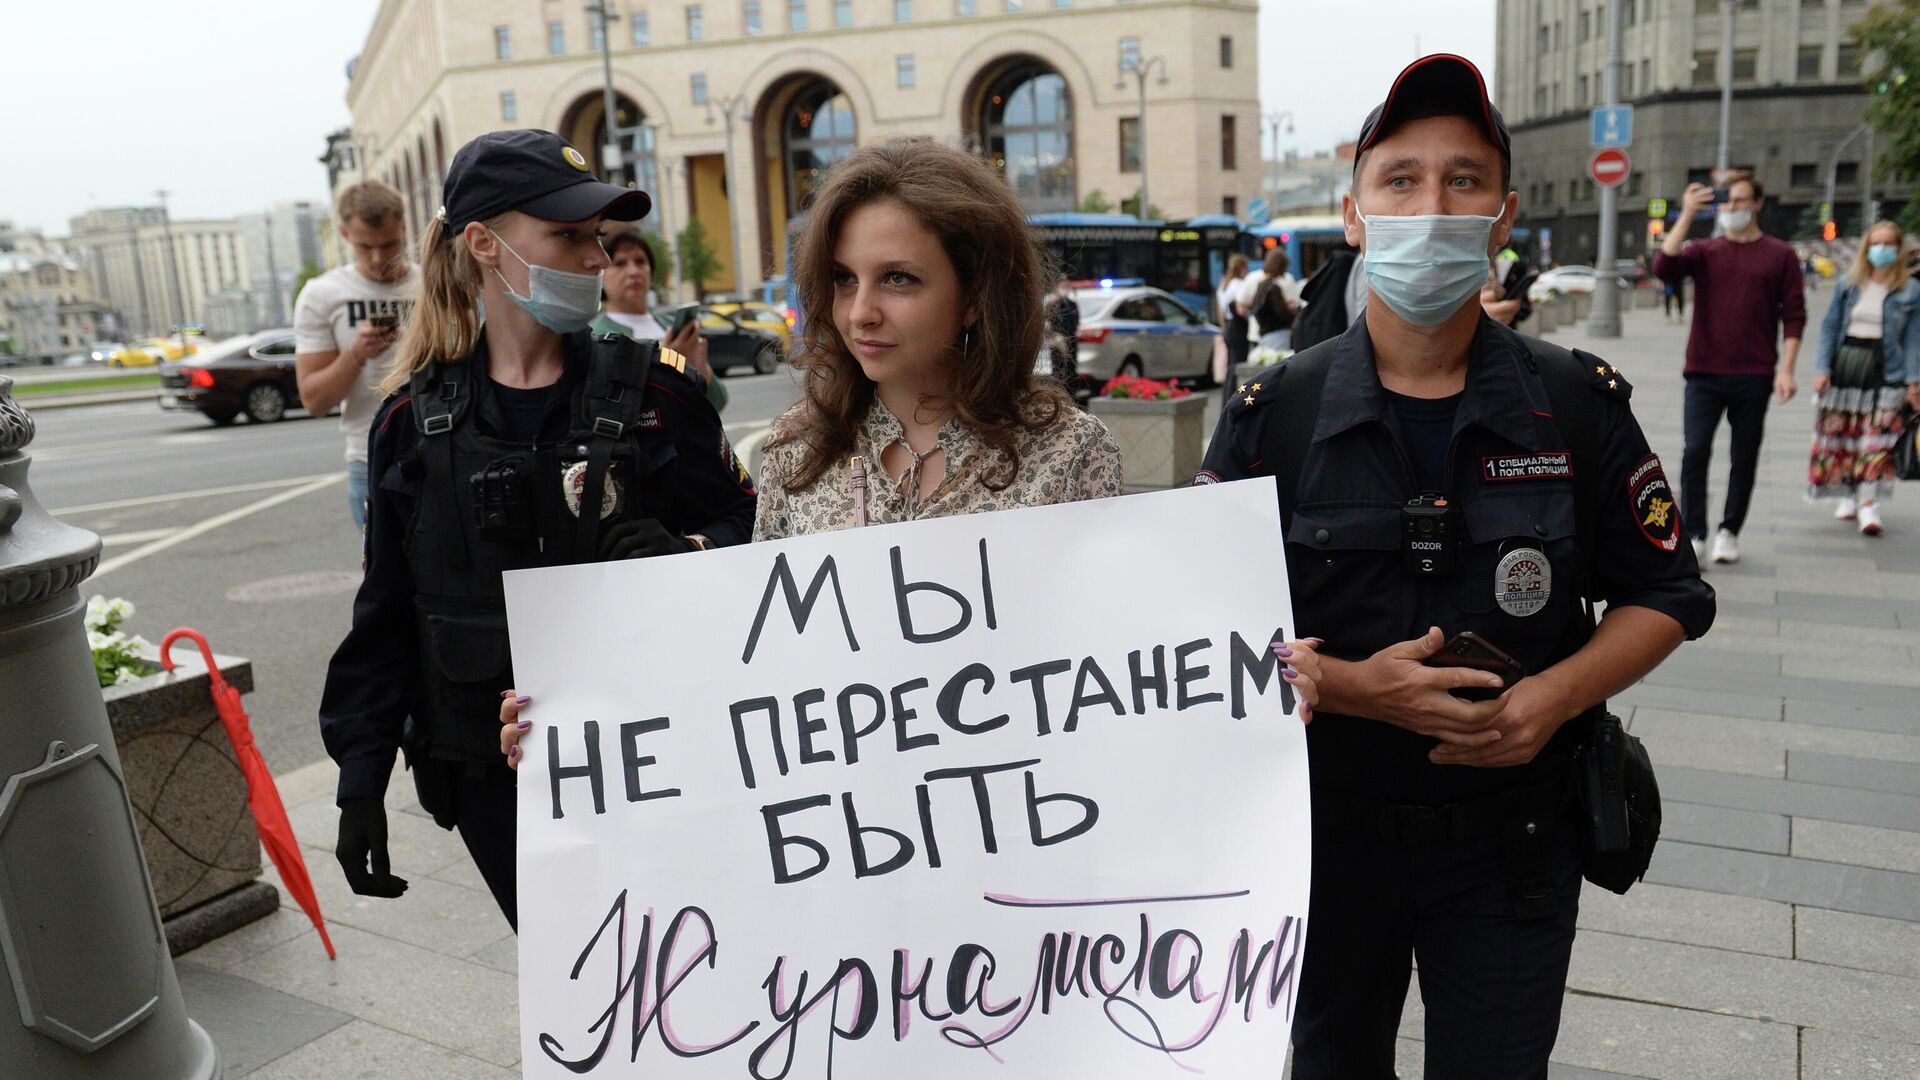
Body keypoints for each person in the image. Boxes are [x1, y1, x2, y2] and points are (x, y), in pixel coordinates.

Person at [1194, 54, 1714, 1078]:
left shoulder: (1574, 405)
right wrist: (1346, 688)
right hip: (1324, 845)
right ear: (1355, 212)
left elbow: (1667, 594)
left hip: (1514, 843)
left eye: (1463, 181)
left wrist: (1555, 697)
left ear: (1503, 215)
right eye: (1401, 180)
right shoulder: (1275, 416)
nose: (1431, 205)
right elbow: (1198, 641)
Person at [317, 129, 757, 929]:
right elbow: (385, 614)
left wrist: (689, 554)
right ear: (484, 244)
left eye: (596, 238)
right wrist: (360, 778)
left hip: (660, 756)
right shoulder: (412, 424)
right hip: (490, 777)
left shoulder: (662, 396)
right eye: (567, 236)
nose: (595, 259)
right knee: (577, 975)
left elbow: (751, 527)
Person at [1653, 173, 1806, 564]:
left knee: (1745, 455)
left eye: (1739, 201)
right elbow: (1663, 266)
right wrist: (1687, 214)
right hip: (1703, 371)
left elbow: (1794, 316)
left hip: (1754, 374)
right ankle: (1696, 532)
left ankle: (1729, 530)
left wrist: (1787, 370)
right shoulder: (1705, 250)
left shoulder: (1780, 255)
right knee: (1695, 451)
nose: (1732, 208)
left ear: (1757, 203)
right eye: (1727, 202)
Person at [294, 180, 419, 529]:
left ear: (404, 228)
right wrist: (356, 354)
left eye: (389, 244)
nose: (379, 258)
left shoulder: (430, 286)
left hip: (436, 452)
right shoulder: (323, 294)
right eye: (366, 247)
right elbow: (314, 400)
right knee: (386, 581)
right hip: (369, 459)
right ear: (345, 235)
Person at [1809, 221, 1920, 535]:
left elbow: (1913, 339)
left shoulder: (1910, 290)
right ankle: (1848, 493)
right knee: (1845, 436)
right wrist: (1822, 370)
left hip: (1887, 371)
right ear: (1866, 248)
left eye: (1888, 244)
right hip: (1847, 366)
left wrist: (1914, 382)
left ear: (1898, 250)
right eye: (1875, 243)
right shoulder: (1849, 283)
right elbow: (1830, 327)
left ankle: (1869, 503)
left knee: (1877, 440)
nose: (1881, 250)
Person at [588, 227, 726, 413]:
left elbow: (719, 401)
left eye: (640, 261)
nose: (633, 271)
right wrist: (669, 362)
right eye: (620, 263)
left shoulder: (670, 324)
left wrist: (702, 371)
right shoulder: (593, 335)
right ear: (601, 274)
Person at [1242, 248, 1300, 358]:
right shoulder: (1274, 287)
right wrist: (1292, 309)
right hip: (1278, 334)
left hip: (1261, 333)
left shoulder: (1261, 285)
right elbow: (1282, 313)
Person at [1217, 253, 1251, 375]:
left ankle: (1228, 392)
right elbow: (1241, 309)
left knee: (1231, 364)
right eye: (1246, 267)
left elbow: (1221, 310)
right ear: (1242, 268)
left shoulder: (1224, 284)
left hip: (1229, 326)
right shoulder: (1239, 284)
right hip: (1239, 327)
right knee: (1239, 365)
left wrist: (1224, 328)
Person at [1045, 274, 1081, 391]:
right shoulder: (1052, 302)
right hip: (1057, 342)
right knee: (1058, 369)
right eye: (1063, 283)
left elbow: (1076, 321)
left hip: (1071, 340)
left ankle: (1071, 393)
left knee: (1071, 370)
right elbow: (1047, 322)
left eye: (1067, 283)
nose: (1066, 286)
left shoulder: (1072, 303)